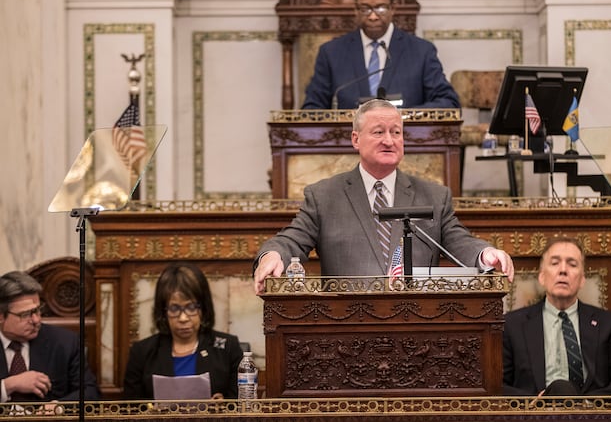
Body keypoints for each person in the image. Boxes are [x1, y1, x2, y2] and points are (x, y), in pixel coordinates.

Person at [253, 99, 513, 294]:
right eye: (378, 132)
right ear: (356, 139)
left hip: (418, 330)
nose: (389, 140)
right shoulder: (324, 196)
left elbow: (460, 242)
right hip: (344, 331)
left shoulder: (434, 196)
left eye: (396, 132)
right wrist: (273, 256)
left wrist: (485, 254)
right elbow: (291, 240)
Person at [501, 237, 611, 396]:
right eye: (554, 263)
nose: (563, 270)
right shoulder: (512, 325)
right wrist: (535, 402)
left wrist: (585, 404)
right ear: (542, 276)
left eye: (572, 264)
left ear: (582, 280)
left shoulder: (608, 324)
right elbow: (497, 386)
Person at [301, 0, 460, 110]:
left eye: (381, 8)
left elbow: (448, 102)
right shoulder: (331, 53)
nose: (373, 16)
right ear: (355, 10)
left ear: (393, 8)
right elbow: (312, 108)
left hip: (408, 141)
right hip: (349, 142)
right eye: (365, 8)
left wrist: (403, 116)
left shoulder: (421, 51)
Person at [123, 263, 243, 400]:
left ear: (203, 307)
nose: (183, 318)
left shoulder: (228, 348)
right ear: (163, 311)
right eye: (174, 309)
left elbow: (242, 404)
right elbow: (130, 408)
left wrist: (224, 406)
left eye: (191, 307)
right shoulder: (142, 352)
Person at [0, 271, 99, 402]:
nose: (36, 320)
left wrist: (59, 407)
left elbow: (90, 392)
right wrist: (8, 386)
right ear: (1, 316)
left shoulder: (65, 343)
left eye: (37, 310)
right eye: (25, 314)